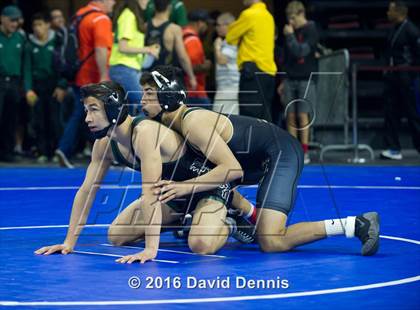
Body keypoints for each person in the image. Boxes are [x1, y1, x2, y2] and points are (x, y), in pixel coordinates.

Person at [142, 65, 381, 257]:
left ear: (167, 96)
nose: (142, 99)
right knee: (210, 180)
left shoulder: (192, 123)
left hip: (280, 154)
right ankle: (240, 218)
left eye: (148, 93)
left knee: (271, 241)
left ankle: (355, 224)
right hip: (255, 158)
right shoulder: (176, 124)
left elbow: (232, 169)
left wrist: (183, 188)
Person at [34, 80, 254, 262]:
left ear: (112, 109)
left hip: (208, 186)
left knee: (201, 245)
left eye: (93, 110)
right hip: (171, 193)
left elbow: (150, 192)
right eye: (86, 110)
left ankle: (231, 222)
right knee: (117, 236)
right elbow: (86, 191)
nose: (87, 118)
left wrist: (151, 250)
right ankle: (188, 220)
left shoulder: (144, 132)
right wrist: (69, 242)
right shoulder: (103, 146)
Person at [54, 0, 115, 168]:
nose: (114, 3)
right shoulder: (100, 19)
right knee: (96, 113)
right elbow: (101, 49)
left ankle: (74, 149)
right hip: (92, 75)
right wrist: (104, 75)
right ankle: (67, 148)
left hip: (78, 74)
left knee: (82, 113)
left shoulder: (80, 15)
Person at [23, 12, 67, 163]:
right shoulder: (29, 45)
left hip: (54, 86)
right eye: (34, 25)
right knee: (39, 120)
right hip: (37, 87)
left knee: (55, 120)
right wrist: (28, 89)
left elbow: (63, 65)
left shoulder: (57, 41)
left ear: (48, 25)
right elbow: (27, 69)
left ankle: (56, 150)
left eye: (40, 24)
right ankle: (42, 151)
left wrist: (62, 85)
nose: (37, 28)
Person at [279, 1, 319, 164]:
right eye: (289, 18)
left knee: (303, 115)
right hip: (290, 77)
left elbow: (300, 51)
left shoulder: (311, 29)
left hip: (306, 78)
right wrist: (282, 80)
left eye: (293, 18)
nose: (291, 22)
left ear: (302, 14)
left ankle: (304, 151)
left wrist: (289, 36)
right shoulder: (291, 30)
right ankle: (293, 149)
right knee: (290, 115)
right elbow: (286, 59)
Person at [380, 0, 420, 160]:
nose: (387, 13)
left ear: (399, 12)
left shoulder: (412, 30)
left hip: (407, 78)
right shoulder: (393, 29)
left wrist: (410, 73)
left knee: (413, 114)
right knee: (390, 112)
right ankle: (394, 148)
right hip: (393, 77)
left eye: (390, 10)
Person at [226, 0, 277, 122]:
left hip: (253, 71)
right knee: (264, 117)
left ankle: (249, 142)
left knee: (249, 118)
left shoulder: (249, 14)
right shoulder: (269, 16)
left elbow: (230, 36)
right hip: (269, 73)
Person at [109, 0, 160, 115]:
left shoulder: (130, 15)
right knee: (146, 102)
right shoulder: (129, 16)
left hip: (126, 68)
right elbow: (123, 47)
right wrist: (148, 49)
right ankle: (142, 132)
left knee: (132, 108)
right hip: (124, 68)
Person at [142, 0, 196, 91]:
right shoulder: (174, 29)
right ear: (169, 8)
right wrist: (191, 77)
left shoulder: (145, 26)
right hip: (166, 77)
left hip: (148, 76)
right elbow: (182, 56)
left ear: (154, 8)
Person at [0, 5, 25, 162]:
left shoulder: (20, 38)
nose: (14, 24)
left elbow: (25, 64)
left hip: (14, 83)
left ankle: (6, 151)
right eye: (11, 20)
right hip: (0, 81)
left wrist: (24, 86)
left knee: (11, 118)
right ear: (2, 18)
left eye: (16, 21)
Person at [182, 10, 212, 108]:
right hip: (195, 91)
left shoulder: (181, 35)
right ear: (200, 23)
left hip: (185, 89)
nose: (207, 27)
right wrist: (206, 66)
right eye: (206, 24)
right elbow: (190, 67)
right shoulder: (193, 40)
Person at [213, 12, 240, 115]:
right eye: (217, 25)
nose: (217, 28)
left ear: (230, 25)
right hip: (224, 87)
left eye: (220, 25)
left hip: (230, 88)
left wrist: (217, 47)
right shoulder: (227, 41)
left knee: (223, 120)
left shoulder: (232, 41)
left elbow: (222, 60)